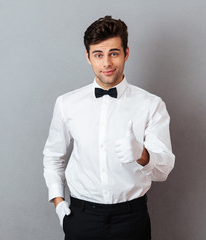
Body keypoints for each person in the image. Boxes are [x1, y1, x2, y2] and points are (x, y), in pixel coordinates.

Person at [43, 15, 175, 240]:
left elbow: (163, 171)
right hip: (82, 218)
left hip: (131, 219)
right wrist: (58, 202)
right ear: (88, 57)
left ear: (126, 53)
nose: (106, 63)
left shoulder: (151, 105)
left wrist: (141, 155)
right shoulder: (67, 104)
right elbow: (54, 156)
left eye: (114, 53)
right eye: (98, 55)